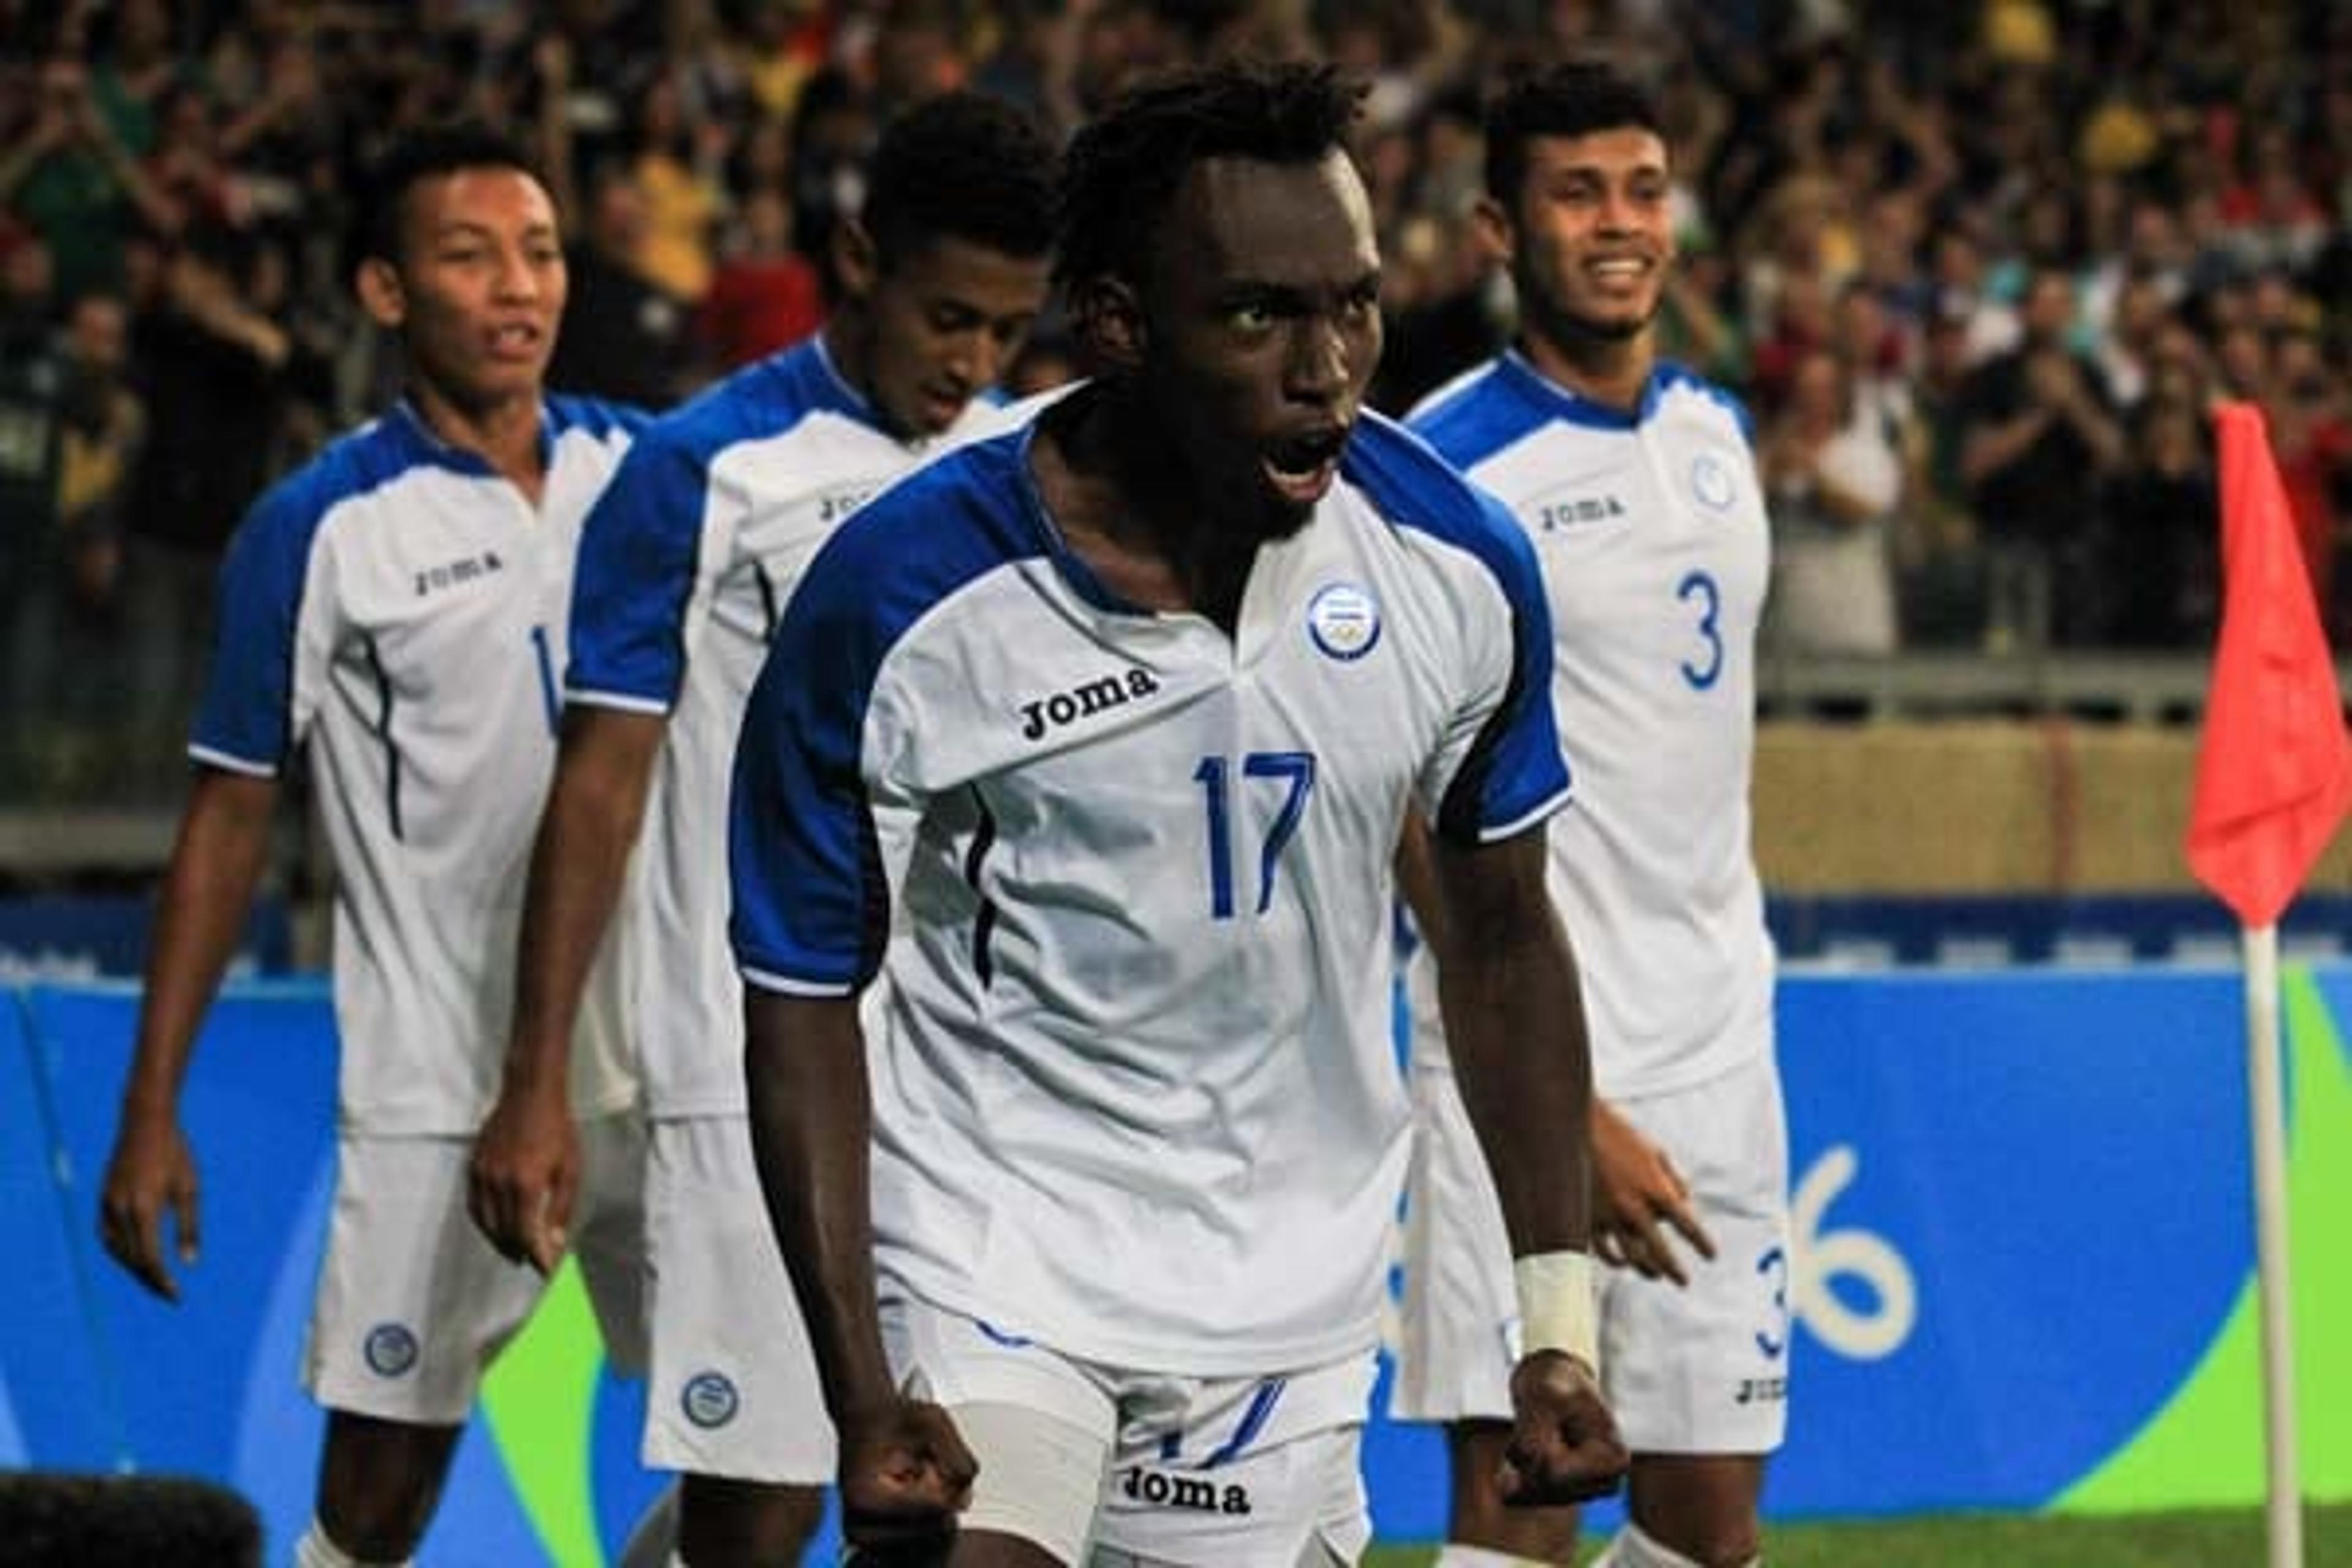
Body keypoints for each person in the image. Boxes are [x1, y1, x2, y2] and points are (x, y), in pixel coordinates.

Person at [726, 61, 1627, 1567]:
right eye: (1262, 314)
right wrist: (859, 1385)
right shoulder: (905, 595)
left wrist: (1555, 1319)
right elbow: (808, 988)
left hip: (1291, 1298)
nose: (1328, 365)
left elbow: (1503, 936)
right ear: (1119, 326)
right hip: (995, 1246)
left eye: (1352, 305)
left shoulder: (1455, 567)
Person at [464, 87, 1058, 1567]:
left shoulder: (1017, 471)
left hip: (973, 1073)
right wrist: (535, 1078)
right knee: (775, 1492)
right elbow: (599, 780)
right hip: (753, 1061)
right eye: (949, 319)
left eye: (1004, 330)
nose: (973, 362)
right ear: (859, 257)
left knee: (953, 1498)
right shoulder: (702, 473)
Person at [95, 121, 650, 1568]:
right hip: (438, 1072)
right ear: (388, 293)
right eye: (469, 256)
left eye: (538, 251)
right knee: (384, 1489)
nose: (518, 286)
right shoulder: (320, 525)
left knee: (764, 1437)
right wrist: (152, 1110)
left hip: (659, 1050)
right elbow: (226, 818)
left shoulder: (648, 474)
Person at [1396, 62, 1790, 1568]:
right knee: (1522, 1509)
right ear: (1503, 225)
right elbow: (1402, 806)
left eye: (1641, 188)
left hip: (1722, 1045)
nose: (1618, 223)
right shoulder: (1442, 468)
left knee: (1710, 1527)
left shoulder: (1720, 434)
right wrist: (1567, 1103)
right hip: (1527, 1052)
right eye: (1578, 193)